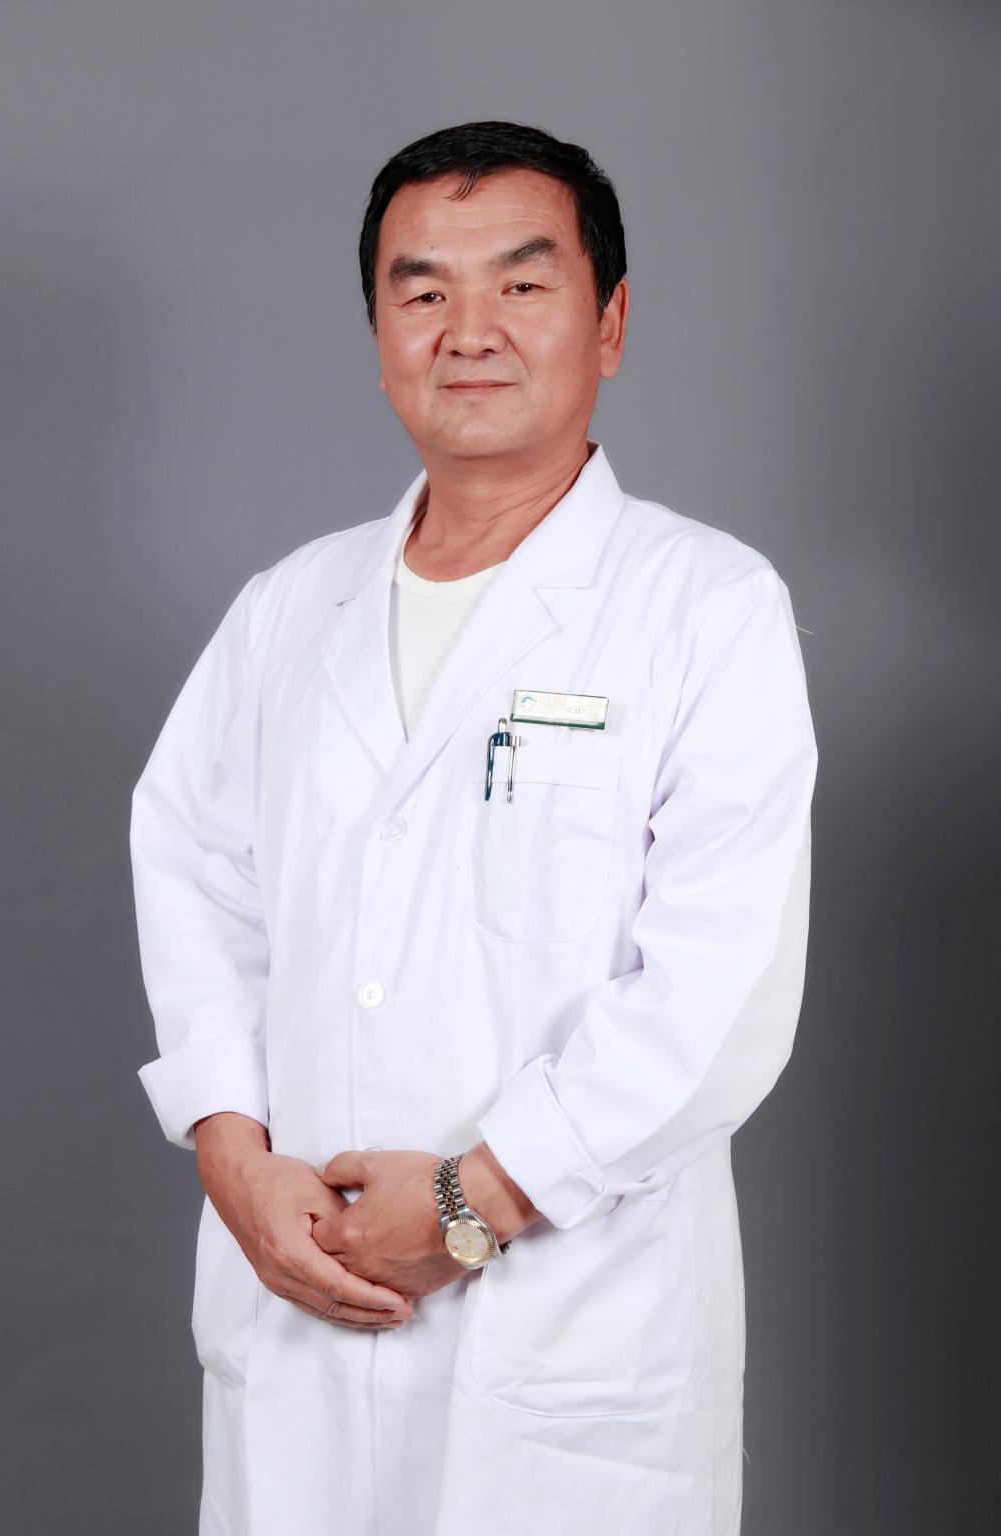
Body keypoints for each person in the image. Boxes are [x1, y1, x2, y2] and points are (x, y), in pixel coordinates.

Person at [130, 119, 818, 1536]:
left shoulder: (706, 606)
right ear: (378, 334)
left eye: (523, 282)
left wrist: (477, 1197)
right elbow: (195, 877)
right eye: (423, 290)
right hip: (300, 1312)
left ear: (609, 323)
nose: (470, 330)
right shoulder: (287, 610)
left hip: (568, 1341)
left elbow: (720, 991)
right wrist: (230, 1155)